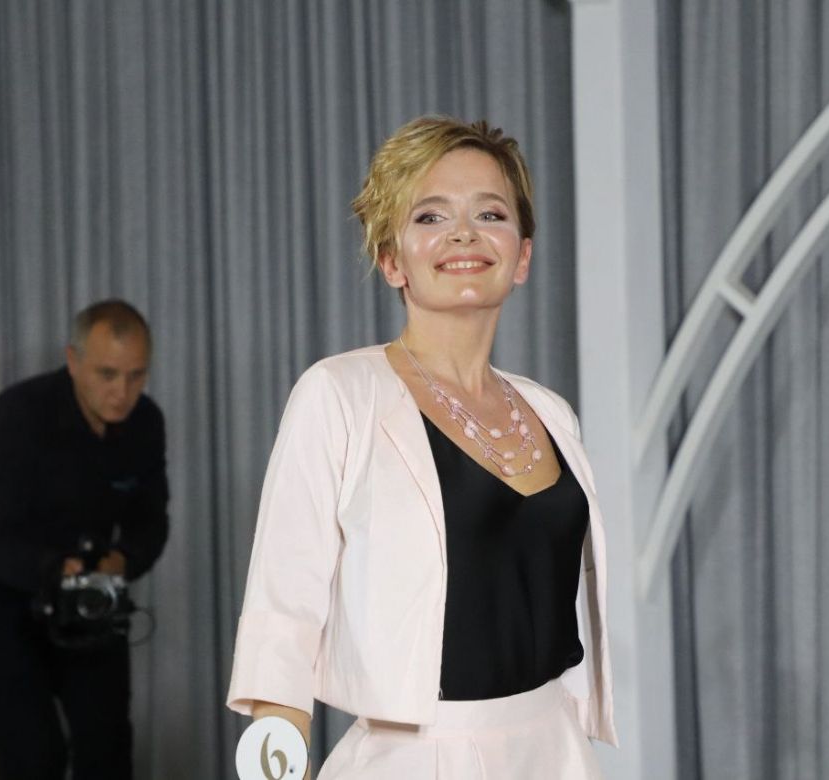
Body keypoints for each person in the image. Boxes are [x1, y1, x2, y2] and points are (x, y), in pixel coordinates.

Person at [227, 116, 615, 779]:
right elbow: (282, 616)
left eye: (490, 213)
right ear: (391, 260)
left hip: (555, 750)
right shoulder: (340, 394)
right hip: (414, 758)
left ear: (522, 255)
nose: (463, 233)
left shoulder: (550, 412)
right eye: (430, 217)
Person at [0, 299, 169, 780]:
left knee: (108, 746)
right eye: (107, 374)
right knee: (36, 755)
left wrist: (123, 560)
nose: (121, 392)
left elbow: (151, 521)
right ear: (73, 361)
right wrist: (54, 568)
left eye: (136, 376)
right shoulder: (18, 415)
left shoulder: (146, 423)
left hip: (82, 596)